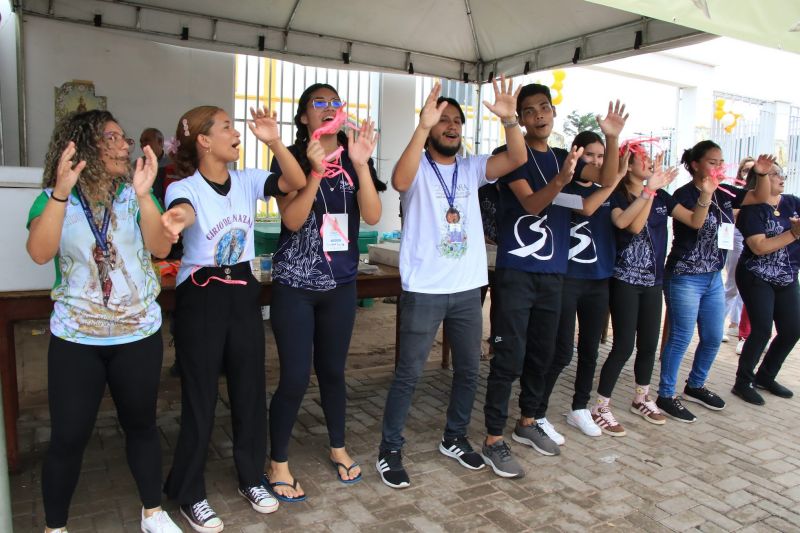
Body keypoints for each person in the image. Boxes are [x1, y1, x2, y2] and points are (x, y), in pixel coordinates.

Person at [27, 110, 180, 533]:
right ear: (84, 145)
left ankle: (152, 513)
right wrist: (60, 192)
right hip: (77, 339)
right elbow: (40, 253)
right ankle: (55, 527)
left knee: (142, 426)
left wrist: (147, 195)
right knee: (68, 439)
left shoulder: (134, 194)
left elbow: (161, 248)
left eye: (123, 138)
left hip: (137, 334)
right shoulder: (54, 197)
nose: (124, 145)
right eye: (112, 138)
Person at [375, 78, 527, 489]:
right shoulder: (418, 164)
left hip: (466, 287)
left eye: (457, 120)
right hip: (424, 288)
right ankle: (389, 450)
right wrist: (421, 127)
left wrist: (511, 119)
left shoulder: (473, 166)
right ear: (430, 126)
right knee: (408, 373)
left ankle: (454, 437)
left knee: (467, 371)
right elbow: (400, 182)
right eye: (443, 120)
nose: (452, 125)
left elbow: (516, 158)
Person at [160, 105, 305, 532]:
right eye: (226, 127)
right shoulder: (181, 186)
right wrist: (175, 221)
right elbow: (183, 211)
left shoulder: (247, 179)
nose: (236, 132)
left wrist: (274, 140)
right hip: (201, 294)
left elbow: (296, 181)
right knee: (200, 398)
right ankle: (190, 493)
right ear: (203, 140)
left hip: (242, 288)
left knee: (248, 389)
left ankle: (250, 478)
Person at [481, 84, 627, 479]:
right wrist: (561, 181)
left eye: (544, 108)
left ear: (553, 112)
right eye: (529, 111)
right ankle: (493, 438)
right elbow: (531, 203)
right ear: (522, 119)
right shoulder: (510, 158)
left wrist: (611, 138)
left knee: (543, 355)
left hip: (554, 275)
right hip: (517, 274)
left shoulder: (567, 157)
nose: (538, 116)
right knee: (508, 357)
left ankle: (528, 421)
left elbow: (609, 176)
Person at [265, 83, 382, 501]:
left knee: (333, 372)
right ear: (303, 118)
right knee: (295, 377)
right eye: (320, 103)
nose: (330, 108)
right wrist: (315, 172)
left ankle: (338, 446)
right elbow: (294, 220)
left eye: (336, 102)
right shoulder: (292, 160)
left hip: (341, 286)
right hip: (295, 286)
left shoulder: (354, 159)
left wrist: (362, 165)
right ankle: (277, 461)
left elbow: (371, 214)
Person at [590, 142, 706, 436]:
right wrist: (649, 192)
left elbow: (694, 220)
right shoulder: (615, 195)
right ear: (628, 164)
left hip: (653, 281)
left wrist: (706, 192)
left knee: (649, 345)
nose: (651, 162)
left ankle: (641, 397)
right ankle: (600, 406)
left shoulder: (662, 197)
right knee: (624, 345)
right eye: (643, 158)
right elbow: (630, 225)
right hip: (624, 279)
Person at [657, 145, 770, 422]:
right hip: (685, 275)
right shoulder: (683, 194)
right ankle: (666, 393)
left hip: (712, 276)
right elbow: (695, 223)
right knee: (681, 337)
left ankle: (695, 385)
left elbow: (761, 196)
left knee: (711, 337)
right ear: (695, 165)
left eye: (721, 161)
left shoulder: (727, 192)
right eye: (712, 162)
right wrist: (706, 193)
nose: (718, 167)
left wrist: (762, 174)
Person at [538, 131, 625, 439]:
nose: (597, 162)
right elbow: (587, 208)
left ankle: (579, 408)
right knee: (561, 351)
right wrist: (613, 182)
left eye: (602, 156)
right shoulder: (562, 186)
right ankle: (536, 413)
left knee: (590, 350)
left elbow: (626, 221)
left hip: (599, 281)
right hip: (567, 279)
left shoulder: (610, 190)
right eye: (590, 155)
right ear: (576, 155)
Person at [732, 162, 800, 405]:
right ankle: (743, 382)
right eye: (774, 174)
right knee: (761, 329)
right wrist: (793, 234)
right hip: (756, 274)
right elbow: (759, 247)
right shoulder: (752, 209)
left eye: (782, 172)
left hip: (787, 275)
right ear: (759, 181)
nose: (781, 177)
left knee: (792, 329)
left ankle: (766, 376)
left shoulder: (792, 202)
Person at [723, 156, 755, 345]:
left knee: (748, 288)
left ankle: (736, 325)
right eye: (746, 170)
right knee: (732, 284)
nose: (748, 175)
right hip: (735, 237)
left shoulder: (760, 194)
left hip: (751, 239)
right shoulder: (735, 193)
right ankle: (721, 323)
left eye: (752, 171)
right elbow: (731, 215)